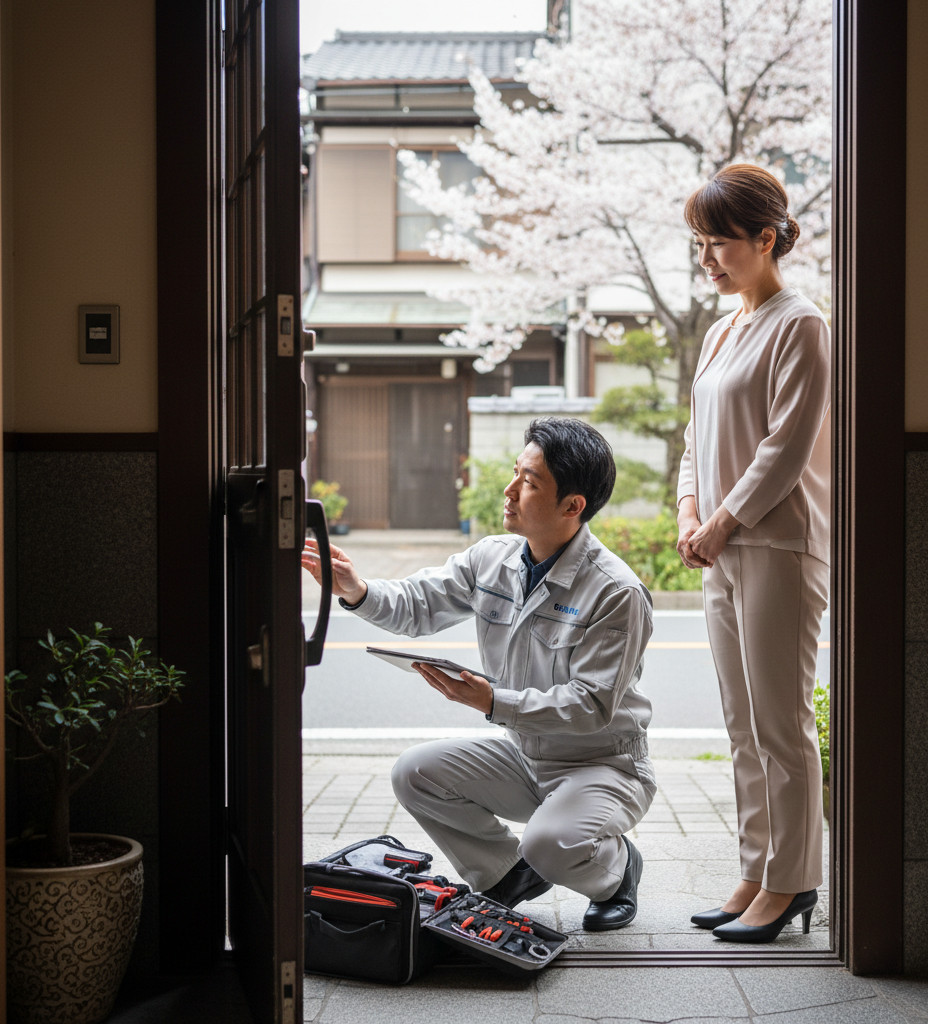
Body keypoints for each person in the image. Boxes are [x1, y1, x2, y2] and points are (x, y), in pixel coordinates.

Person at [302, 418, 656, 930]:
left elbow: (591, 706)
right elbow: (417, 605)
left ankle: (618, 872)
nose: (509, 490)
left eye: (529, 483)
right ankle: (506, 874)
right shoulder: (492, 558)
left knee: (549, 844)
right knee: (414, 772)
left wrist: (492, 701)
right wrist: (355, 589)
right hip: (526, 754)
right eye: (515, 473)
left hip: (602, 765)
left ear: (572, 506)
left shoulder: (615, 591)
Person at [677, 164, 830, 943]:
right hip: (722, 546)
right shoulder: (720, 329)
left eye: (720, 242)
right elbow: (694, 442)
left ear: (766, 239)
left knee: (780, 724)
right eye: (699, 244)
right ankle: (755, 870)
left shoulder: (801, 324)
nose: (707, 258)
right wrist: (689, 511)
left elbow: (785, 448)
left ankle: (792, 881)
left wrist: (722, 522)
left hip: (777, 544)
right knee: (742, 725)